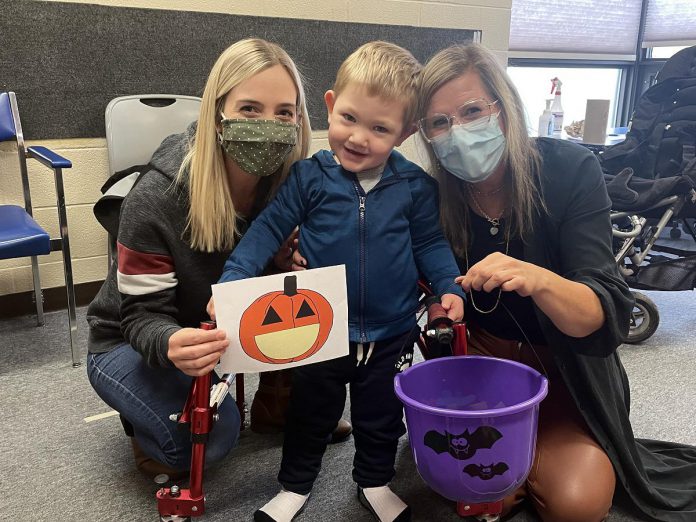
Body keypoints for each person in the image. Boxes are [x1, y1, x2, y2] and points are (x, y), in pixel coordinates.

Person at [417, 42, 696, 522]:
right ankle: (514, 468)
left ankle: (536, 458)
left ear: (504, 110)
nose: (456, 132)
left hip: (566, 371)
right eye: (439, 123)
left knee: (577, 505)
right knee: (472, 490)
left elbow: (604, 315)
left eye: (471, 111)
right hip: (480, 374)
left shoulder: (568, 171)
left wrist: (536, 278)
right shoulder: (430, 194)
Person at [209, 41, 465, 522]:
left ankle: (374, 481)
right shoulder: (309, 177)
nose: (358, 138)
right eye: (348, 118)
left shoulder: (415, 187)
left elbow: (430, 245)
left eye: (380, 128)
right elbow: (266, 229)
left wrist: (449, 287)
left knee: (382, 416)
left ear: (406, 132)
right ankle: (294, 486)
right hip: (321, 329)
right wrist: (234, 280)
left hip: (392, 331)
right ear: (329, 105)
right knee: (310, 413)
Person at [85, 38, 355, 480]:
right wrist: (171, 344)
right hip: (131, 340)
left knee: (322, 369)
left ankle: (274, 404)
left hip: (218, 334)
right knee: (212, 439)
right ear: (217, 115)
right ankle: (142, 421)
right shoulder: (157, 197)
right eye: (250, 108)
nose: (268, 124)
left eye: (283, 112)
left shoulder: (288, 181)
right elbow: (139, 318)